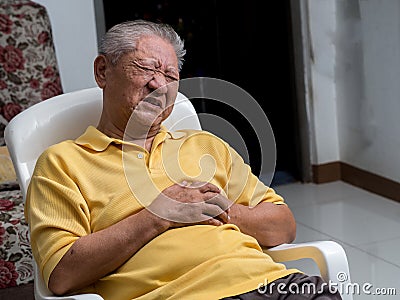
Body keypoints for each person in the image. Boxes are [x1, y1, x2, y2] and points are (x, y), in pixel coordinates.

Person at [25, 20, 342, 300]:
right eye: (146, 68)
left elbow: (284, 226)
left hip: (269, 284)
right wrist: (159, 214)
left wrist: (224, 211)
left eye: (170, 76)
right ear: (102, 71)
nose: (158, 85)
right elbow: (61, 275)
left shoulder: (204, 145)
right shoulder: (61, 164)